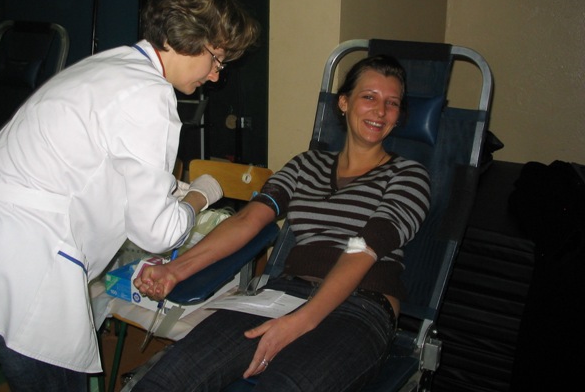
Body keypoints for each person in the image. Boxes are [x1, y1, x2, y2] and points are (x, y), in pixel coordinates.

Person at [0, 0, 259, 391]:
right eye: (217, 60)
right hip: (24, 271)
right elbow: (157, 233)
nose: (216, 76)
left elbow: (96, 165)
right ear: (191, 37)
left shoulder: (109, 64)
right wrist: (201, 194)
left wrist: (166, 191)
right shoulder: (150, 94)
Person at [132, 55, 431, 391]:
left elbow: (364, 250)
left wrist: (300, 322)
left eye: (392, 103)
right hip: (284, 294)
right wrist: (174, 271)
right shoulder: (306, 165)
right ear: (344, 102)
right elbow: (248, 219)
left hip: (361, 307)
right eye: (369, 97)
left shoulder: (409, 176)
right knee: (166, 380)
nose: (380, 111)